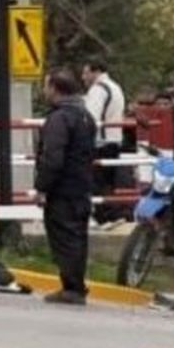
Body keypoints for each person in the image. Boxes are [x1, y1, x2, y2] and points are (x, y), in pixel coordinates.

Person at [37, 68, 97, 305]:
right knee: (78, 236)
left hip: (63, 189)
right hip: (82, 186)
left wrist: (42, 187)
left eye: (46, 85)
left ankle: (72, 288)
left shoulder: (59, 118)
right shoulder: (85, 116)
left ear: (55, 88)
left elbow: (52, 157)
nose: (44, 90)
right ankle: (76, 284)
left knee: (64, 238)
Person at [82, 60, 129, 208]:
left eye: (86, 73)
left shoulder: (98, 89)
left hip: (100, 142)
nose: (83, 77)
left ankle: (102, 215)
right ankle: (110, 214)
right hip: (114, 139)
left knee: (96, 182)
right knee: (108, 183)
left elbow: (90, 117)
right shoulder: (115, 87)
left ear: (96, 72)